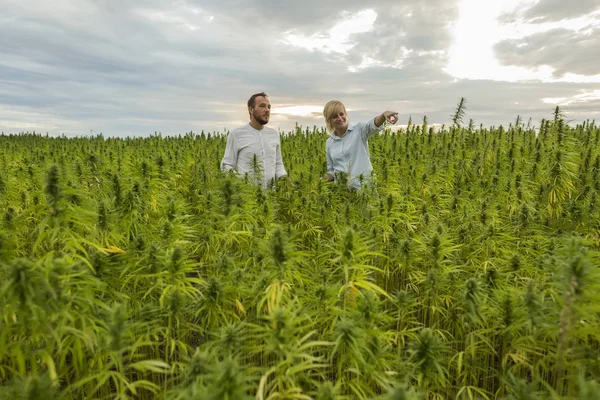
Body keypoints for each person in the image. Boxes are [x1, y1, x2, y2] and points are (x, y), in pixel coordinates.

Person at [321, 100, 397, 190]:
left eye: (341, 114)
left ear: (346, 114)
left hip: (364, 189)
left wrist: (384, 115)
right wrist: (320, 181)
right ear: (329, 120)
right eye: (334, 116)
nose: (339, 118)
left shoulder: (359, 130)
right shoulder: (329, 143)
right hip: (342, 193)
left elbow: (372, 124)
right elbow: (332, 171)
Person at [221, 92, 287, 188]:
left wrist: (284, 181)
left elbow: (278, 163)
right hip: (247, 198)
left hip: (271, 199)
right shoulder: (236, 134)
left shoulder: (274, 135)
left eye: (269, 107)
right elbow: (226, 165)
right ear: (251, 109)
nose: (267, 110)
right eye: (262, 106)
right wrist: (240, 184)